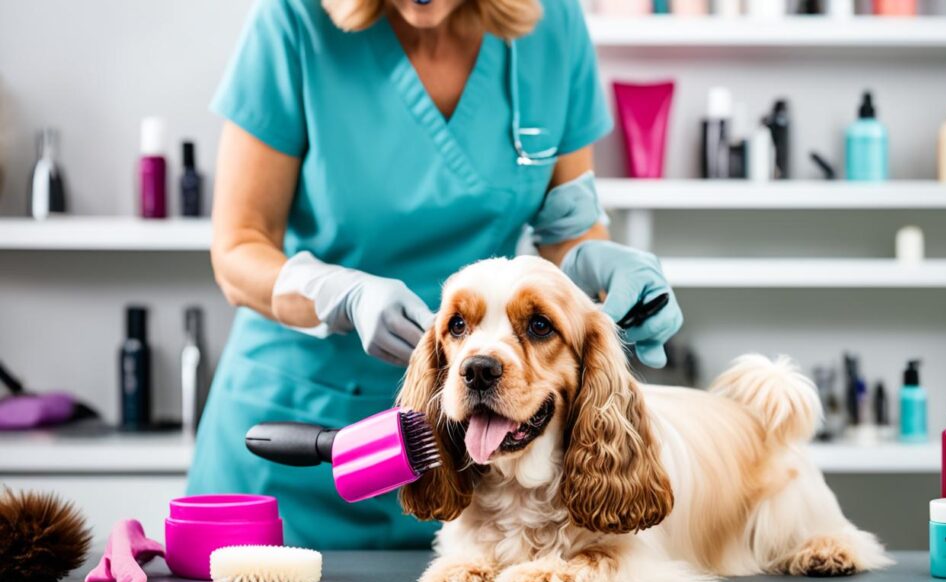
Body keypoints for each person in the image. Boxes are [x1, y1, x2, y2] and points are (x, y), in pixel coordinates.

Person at [187, 0, 683, 549]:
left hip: (472, 457)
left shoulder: (552, 22)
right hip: (300, 443)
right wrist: (340, 294)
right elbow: (238, 249)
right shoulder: (293, 20)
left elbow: (569, 228)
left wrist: (599, 263)